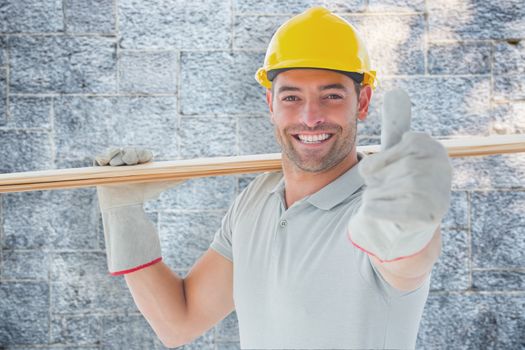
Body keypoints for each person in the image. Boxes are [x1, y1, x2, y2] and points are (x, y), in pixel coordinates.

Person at [95, 7, 452, 349]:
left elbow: (408, 260)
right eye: (292, 97)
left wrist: (409, 232)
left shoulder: (380, 206)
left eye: (331, 96)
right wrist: (123, 211)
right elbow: (178, 322)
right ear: (270, 103)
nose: (311, 118)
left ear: (362, 101)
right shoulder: (256, 200)